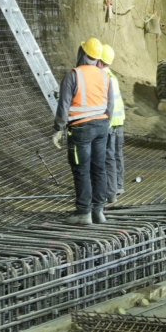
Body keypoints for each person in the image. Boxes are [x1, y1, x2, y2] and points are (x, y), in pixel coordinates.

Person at [52, 37, 114, 225]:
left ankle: (84, 213)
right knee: (99, 169)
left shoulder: (73, 75)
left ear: (82, 53)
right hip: (102, 127)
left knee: (82, 170)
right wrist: (104, 124)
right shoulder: (105, 76)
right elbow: (110, 105)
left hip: (80, 130)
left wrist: (58, 129)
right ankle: (98, 211)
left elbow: (63, 106)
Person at [100, 44, 126, 202]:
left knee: (107, 157)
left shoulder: (102, 77)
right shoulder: (112, 75)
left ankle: (110, 189)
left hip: (109, 123)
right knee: (117, 155)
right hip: (119, 121)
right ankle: (118, 185)